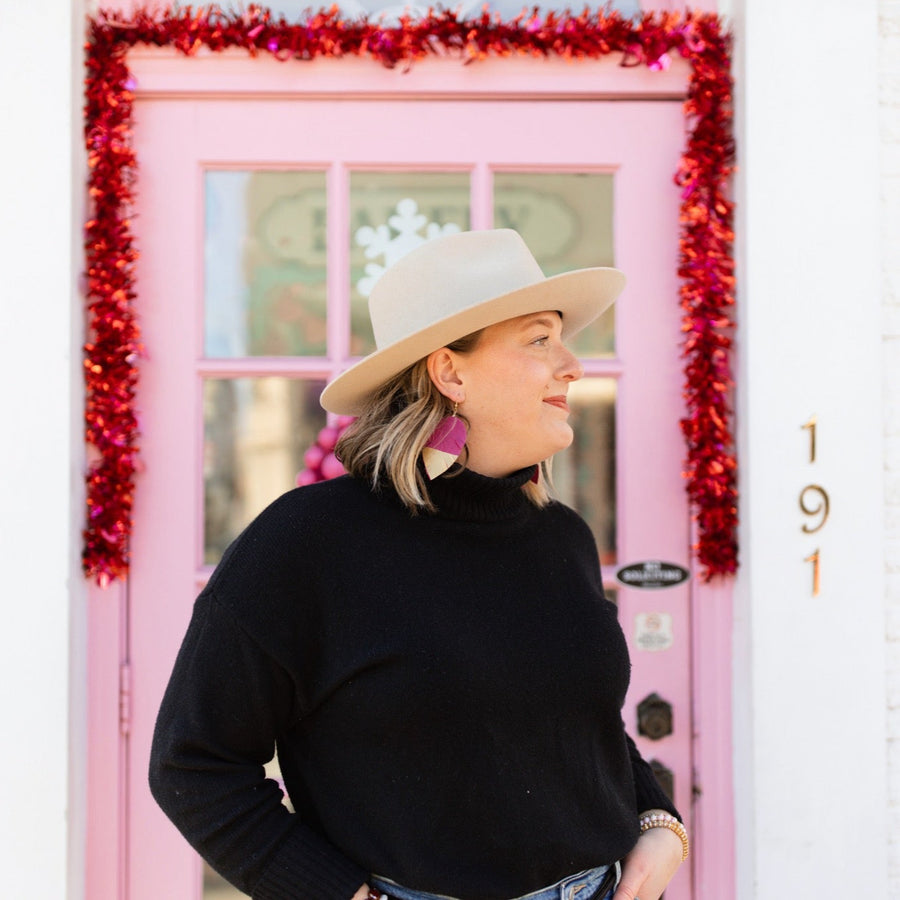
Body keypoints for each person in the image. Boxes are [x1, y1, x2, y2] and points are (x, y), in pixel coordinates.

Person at [149, 228, 689, 900]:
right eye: (540, 339)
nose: (573, 365)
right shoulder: (306, 543)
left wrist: (661, 824)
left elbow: (578, 722)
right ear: (450, 372)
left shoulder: (561, 538)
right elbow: (193, 764)